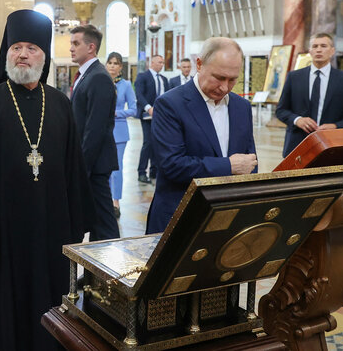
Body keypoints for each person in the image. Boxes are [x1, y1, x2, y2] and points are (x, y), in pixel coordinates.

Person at [0, 9, 93, 351]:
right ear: (7, 54)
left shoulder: (60, 105)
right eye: (15, 47)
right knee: (4, 314)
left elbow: (75, 168)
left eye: (31, 47)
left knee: (52, 308)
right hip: (2, 237)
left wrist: (76, 228)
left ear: (43, 57)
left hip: (51, 230)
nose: (22, 54)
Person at [145, 37, 257, 234]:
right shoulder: (170, 104)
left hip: (227, 219)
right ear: (199, 64)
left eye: (232, 80)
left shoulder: (242, 107)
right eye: (219, 77)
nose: (225, 87)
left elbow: (249, 162)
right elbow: (172, 165)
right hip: (180, 218)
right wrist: (228, 166)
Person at [69, 24, 119, 241]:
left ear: (91, 47)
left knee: (104, 222)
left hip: (94, 164)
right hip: (90, 162)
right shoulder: (86, 74)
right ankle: (96, 271)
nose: (71, 48)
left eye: (76, 43)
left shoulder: (98, 77)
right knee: (96, 221)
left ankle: (113, 271)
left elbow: (95, 129)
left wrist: (82, 167)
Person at [275, 33, 343, 157]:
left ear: (332, 51)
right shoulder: (294, 77)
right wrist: (297, 120)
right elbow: (281, 110)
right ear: (310, 51)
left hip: (332, 146)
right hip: (296, 145)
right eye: (315, 46)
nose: (319, 49)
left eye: (323, 46)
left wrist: (335, 126)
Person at [106, 52, 137, 218]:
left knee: (116, 169)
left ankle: (115, 202)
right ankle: (103, 200)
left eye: (115, 63)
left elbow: (133, 109)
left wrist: (117, 113)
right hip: (102, 130)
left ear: (120, 67)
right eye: (109, 62)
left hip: (119, 130)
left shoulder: (125, 85)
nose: (112, 66)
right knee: (102, 167)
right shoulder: (101, 82)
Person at [134, 55, 170, 184]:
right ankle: (142, 172)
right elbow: (139, 94)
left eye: (163, 62)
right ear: (152, 62)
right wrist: (149, 108)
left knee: (158, 143)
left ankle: (154, 171)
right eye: (159, 62)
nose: (162, 64)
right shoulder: (143, 77)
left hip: (161, 118)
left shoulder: (164, 80)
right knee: (148, 143)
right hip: (147, 115)